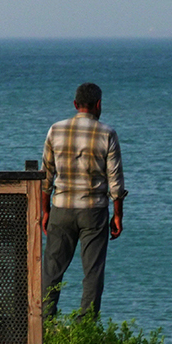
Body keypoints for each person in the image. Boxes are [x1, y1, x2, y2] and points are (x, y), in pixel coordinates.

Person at [40, 81, 127, 320]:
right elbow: (116, 182)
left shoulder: (55, 130)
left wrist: (45, 211)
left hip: (61, 208)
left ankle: (44, 322)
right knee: (93, 271)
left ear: (75, 105)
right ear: (98, 105)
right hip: (93, 211)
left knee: (52, 269)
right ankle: (85, 325)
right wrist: (118, 215)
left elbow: (46, 176)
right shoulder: (107, 133)